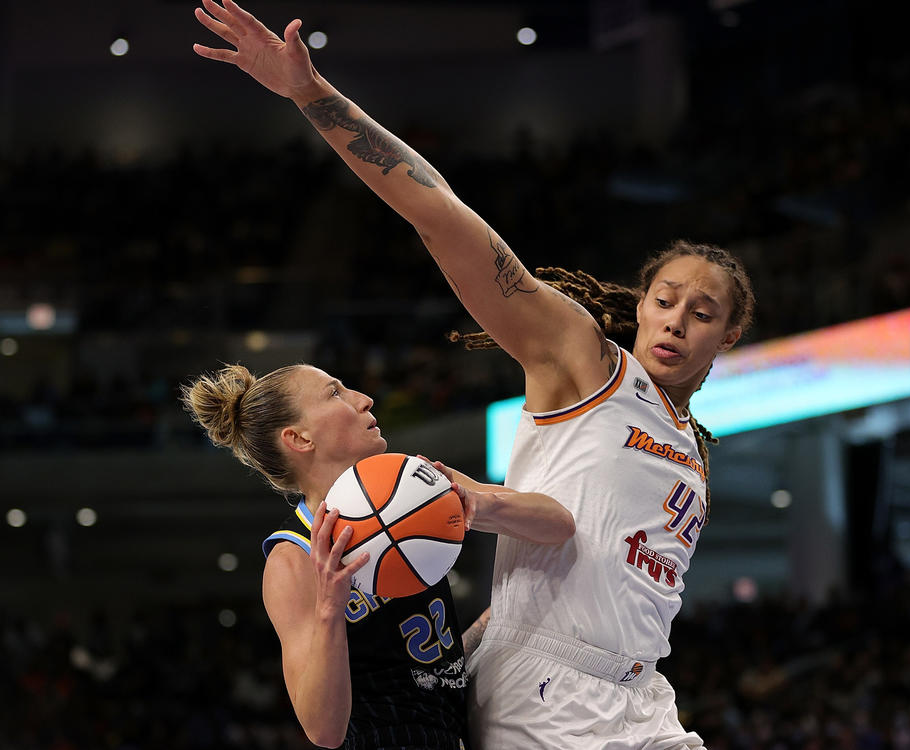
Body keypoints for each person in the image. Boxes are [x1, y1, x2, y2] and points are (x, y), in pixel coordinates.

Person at [192, 1, 755, 746]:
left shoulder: (690, 444)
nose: (678, 320)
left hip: (640, 690)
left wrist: (485, 605)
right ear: (642, 304)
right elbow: (442, 217)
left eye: (703, 311)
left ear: (731, 333)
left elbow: (567, 533)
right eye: (666, 299)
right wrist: (313, 95)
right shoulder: (582, 360)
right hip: (555, 692)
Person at [180, 363, 575, 749]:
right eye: (335, 392)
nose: (365, 400)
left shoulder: (420, 481)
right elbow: (324, 731)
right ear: (299, 439)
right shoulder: (294, 558)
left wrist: (482, 505)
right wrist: (330, 611)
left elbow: (560, 524)